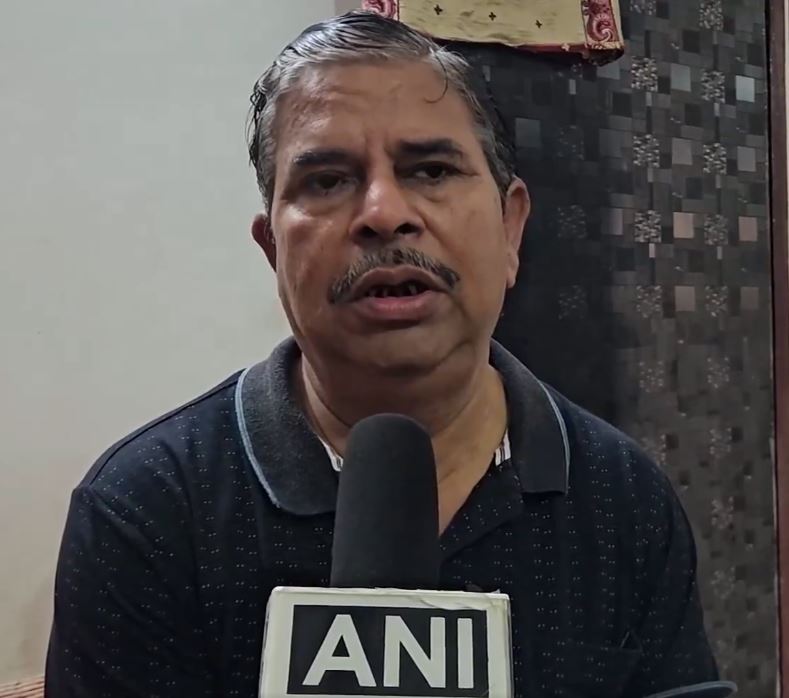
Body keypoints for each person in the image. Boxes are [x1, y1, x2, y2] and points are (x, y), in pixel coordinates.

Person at [45, 11, 721, 698]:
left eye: (430, 170)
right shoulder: (146, 510)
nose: (383, 212)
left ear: (510, 227)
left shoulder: (624, 499)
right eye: (327, 180)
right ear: (273, 250)